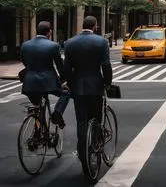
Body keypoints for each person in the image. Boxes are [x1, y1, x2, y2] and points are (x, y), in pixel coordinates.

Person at [64, 16, 113, 162]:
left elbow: (67, 68)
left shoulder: (70, 43)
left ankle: (82, 151)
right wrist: (107, 83)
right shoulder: (101, 41)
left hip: (77, 87)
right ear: (95, 26)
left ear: (83, 26)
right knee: (96, 117)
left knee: (81, 121)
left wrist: (68, 82)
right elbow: (106, 65)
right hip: (96, 86)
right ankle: (97, 143)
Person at [20, 21, 69, 128]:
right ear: (49, 32)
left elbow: (24, 62)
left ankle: (37, 132)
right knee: (66, 93)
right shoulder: (53, 46)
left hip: (29, 84)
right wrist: (63, 80)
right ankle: (57, 113)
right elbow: (59, 65)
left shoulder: (25, 45)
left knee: (37, 107)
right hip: (48, 83)